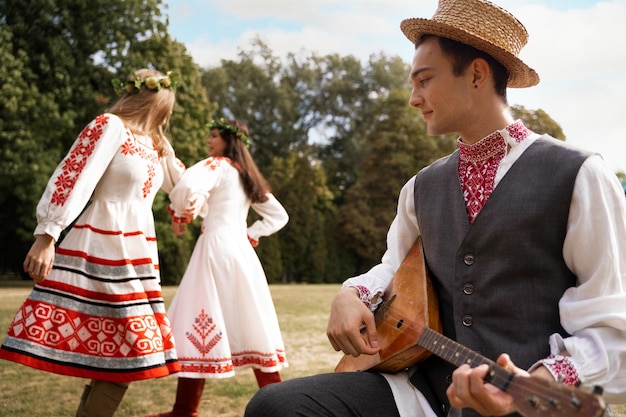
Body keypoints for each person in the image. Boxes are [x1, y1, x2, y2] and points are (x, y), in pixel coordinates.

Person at [244, 1, 626, 417]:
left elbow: (611, 323)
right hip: (426, 394)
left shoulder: (579, 174)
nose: (413, 98)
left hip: (538, 403)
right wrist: (351, 293)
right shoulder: (420, 187)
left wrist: (538, 382)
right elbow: (395, 267)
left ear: (477, 74)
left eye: (424, 80)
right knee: (277, 406)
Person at [0, 68, 186, 417]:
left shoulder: (156, 145)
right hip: (102, 247)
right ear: (152, 101)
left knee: (123, 357)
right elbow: (74, 175)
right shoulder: (110, 126)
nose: (169, 114)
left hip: (138, 253)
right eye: (166, 107)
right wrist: (47, 234)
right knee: (130, 354)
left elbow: (184, 188)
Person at [147, 118, 289, 417]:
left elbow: (189, 184)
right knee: (251, 321)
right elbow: (278, 216)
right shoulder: (246, 175)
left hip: (214, 249)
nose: (208, 140)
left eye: (213, 135)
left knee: (196, 319)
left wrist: (182, 207)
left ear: (229, 140)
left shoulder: (217, 165)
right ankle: (281, 409)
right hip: (240, 253)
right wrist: (252, 234)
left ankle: (185, 410)